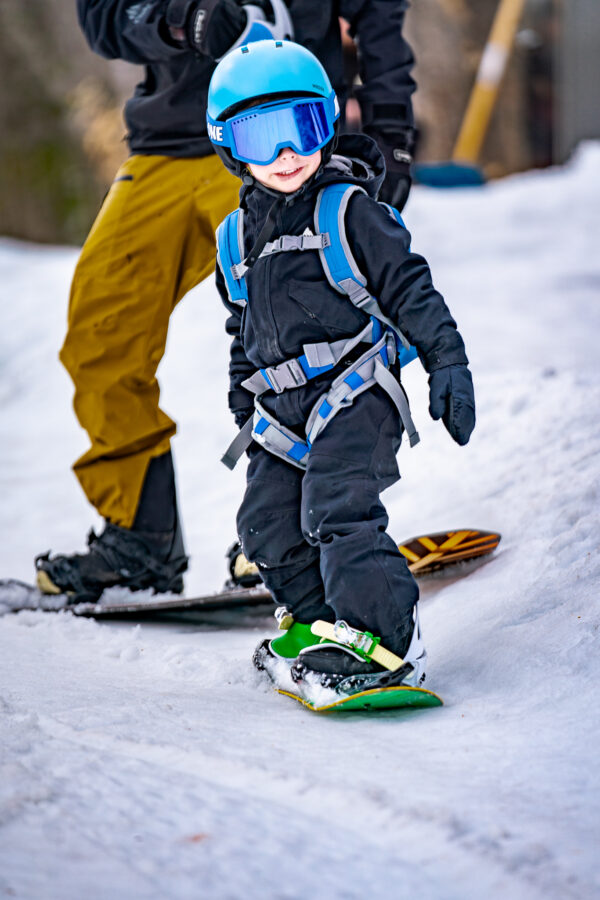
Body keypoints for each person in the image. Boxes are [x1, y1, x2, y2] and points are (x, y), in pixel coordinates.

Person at [36, 0, 419, 604]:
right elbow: (103, 16)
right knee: (99, 329)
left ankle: (294, 529)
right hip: (167, 143)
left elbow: (375, 14)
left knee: (300, 324)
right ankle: (142, 538)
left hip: (283, 139)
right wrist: (179, 19)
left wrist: (392, 128)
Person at [207, 39, 475, 695]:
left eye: (301, 128)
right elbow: (243, 328)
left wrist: (448, 362)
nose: (285, 154)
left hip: (356, 393)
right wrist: (246, 406)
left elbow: (412, 290)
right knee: (264, 527)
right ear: (228, 146)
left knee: (338, 507)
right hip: (283, 410)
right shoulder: (234, 238)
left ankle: (389, 643)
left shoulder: (350, 211)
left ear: (327, 122)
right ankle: (330, 625)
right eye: (259, 137)